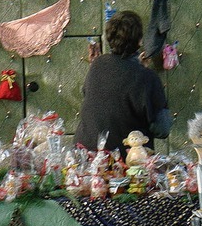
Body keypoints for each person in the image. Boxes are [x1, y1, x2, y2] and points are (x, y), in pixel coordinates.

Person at [74, 10, 172, 159]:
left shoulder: (98, 65)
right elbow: (162, 129)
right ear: (139, 40)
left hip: (85, 157)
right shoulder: (147, 78)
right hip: (125, 162)